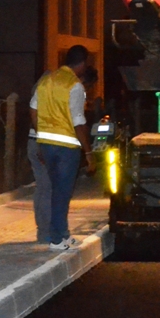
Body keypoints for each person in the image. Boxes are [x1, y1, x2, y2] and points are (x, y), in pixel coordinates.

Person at [30, 46, 97, 251]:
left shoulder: (47, 79)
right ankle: (57, 239)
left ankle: (63, 234)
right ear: (83, 63)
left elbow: (33, 109)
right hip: (66, 146)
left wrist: (40, 137)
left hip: (46, 145)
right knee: (62, 193)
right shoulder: (74, 85)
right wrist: (88, 152)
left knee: (54, 191)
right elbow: (78, 121)